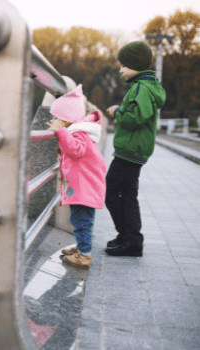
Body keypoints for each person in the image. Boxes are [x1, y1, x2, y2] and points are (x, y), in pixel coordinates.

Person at [104, 41, 166, 257]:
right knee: (128, 195)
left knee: (111, 192)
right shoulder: (147, 86)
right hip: (135, 151)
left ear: (136, 65)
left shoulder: (140, 88)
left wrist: (117, 111)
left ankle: (130, 238)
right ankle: (130, 239)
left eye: (124, 65)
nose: (120, 70)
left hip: (129, 151)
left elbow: (136, 117)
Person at [47, 85, 107, 270]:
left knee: (82, 221)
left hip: (84, 187)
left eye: (57, 118)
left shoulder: (78, 133)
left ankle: (84, 256)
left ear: (67, 119)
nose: (54, 121)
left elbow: (74, 150)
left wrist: (61, 132)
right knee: (80, 220)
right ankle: (82, 247)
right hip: (83, 185)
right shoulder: (79, 132)